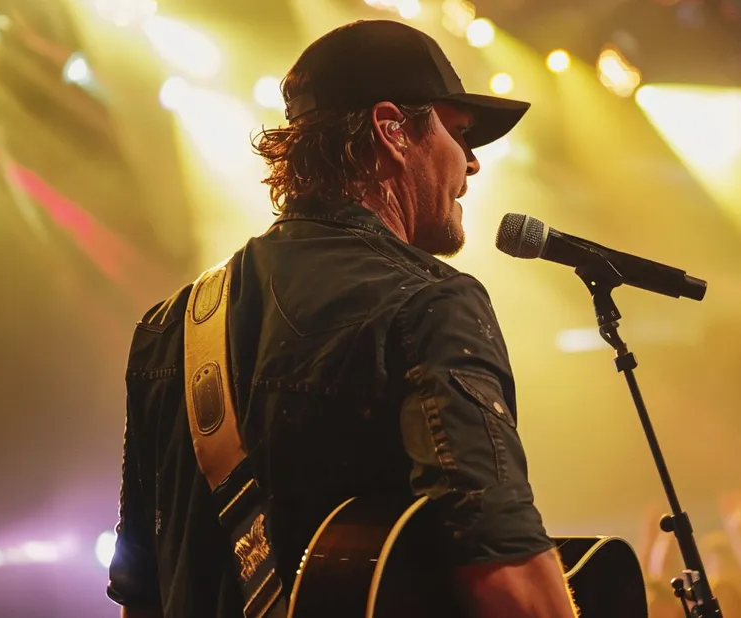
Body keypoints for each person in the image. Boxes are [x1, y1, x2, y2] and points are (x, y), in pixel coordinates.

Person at [107, 19, 578, 618]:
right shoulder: (429, 301)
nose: (474, 163)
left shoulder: (168, 327)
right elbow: (510, 585)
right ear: (393, 131)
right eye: (460, 133)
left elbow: (141, 596)